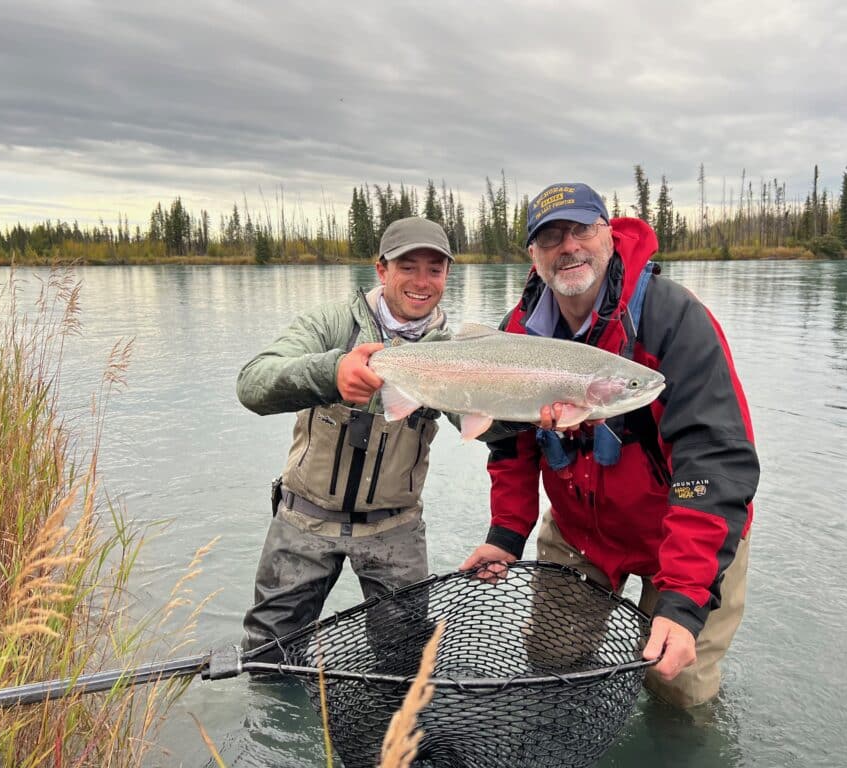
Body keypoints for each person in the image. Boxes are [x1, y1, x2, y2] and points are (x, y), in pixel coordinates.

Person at [461, 182, 759, 709]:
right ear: (533, 254)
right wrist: (507, 534)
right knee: (552, 670)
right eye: (551, 236)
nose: (569, 246)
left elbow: (714, 464)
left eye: (582, 229)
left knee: (678, 693)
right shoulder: (518, 332)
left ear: (608, 232)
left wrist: (686, 598)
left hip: (685, 533)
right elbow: (510, 448)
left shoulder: (675, 322)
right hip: (580, 533)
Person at [237, 216, 453, 659]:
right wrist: (331, 373)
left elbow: (496, 436)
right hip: (303, 522)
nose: (421, 281)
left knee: (402, 668)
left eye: (434, 268)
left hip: (396, 529)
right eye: (407, 266)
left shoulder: (450, 349)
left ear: (447, 274)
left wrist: (544, 414)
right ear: (381, 269)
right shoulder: (331, 324)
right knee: (267, 658)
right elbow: (253, 384)